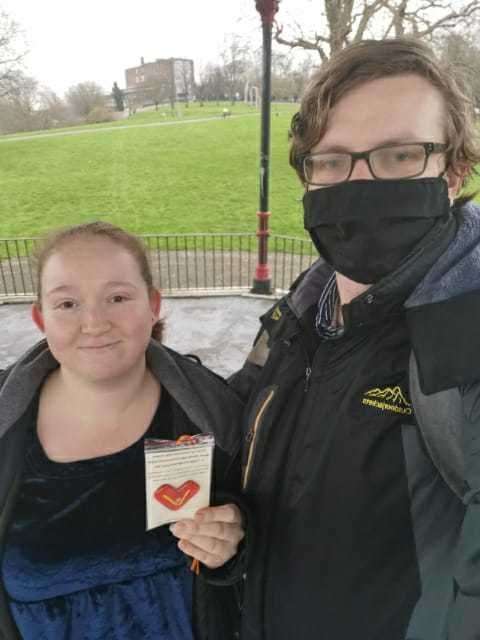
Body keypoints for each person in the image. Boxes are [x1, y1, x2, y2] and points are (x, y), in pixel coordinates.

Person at [231, 38, 480, 640]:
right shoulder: (305, 301)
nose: (360, 181)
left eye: (398, 155)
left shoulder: (465, 340)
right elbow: (243, 417)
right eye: (334, 159)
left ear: (453, 171)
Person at [0, 222, 245, 640]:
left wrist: (235, 536)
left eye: (117, 297)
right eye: (67, 304)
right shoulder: (8, 431)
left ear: (153, 305)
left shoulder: (215, 416)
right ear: (40, 317)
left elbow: (266, 527)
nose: (94, 322)